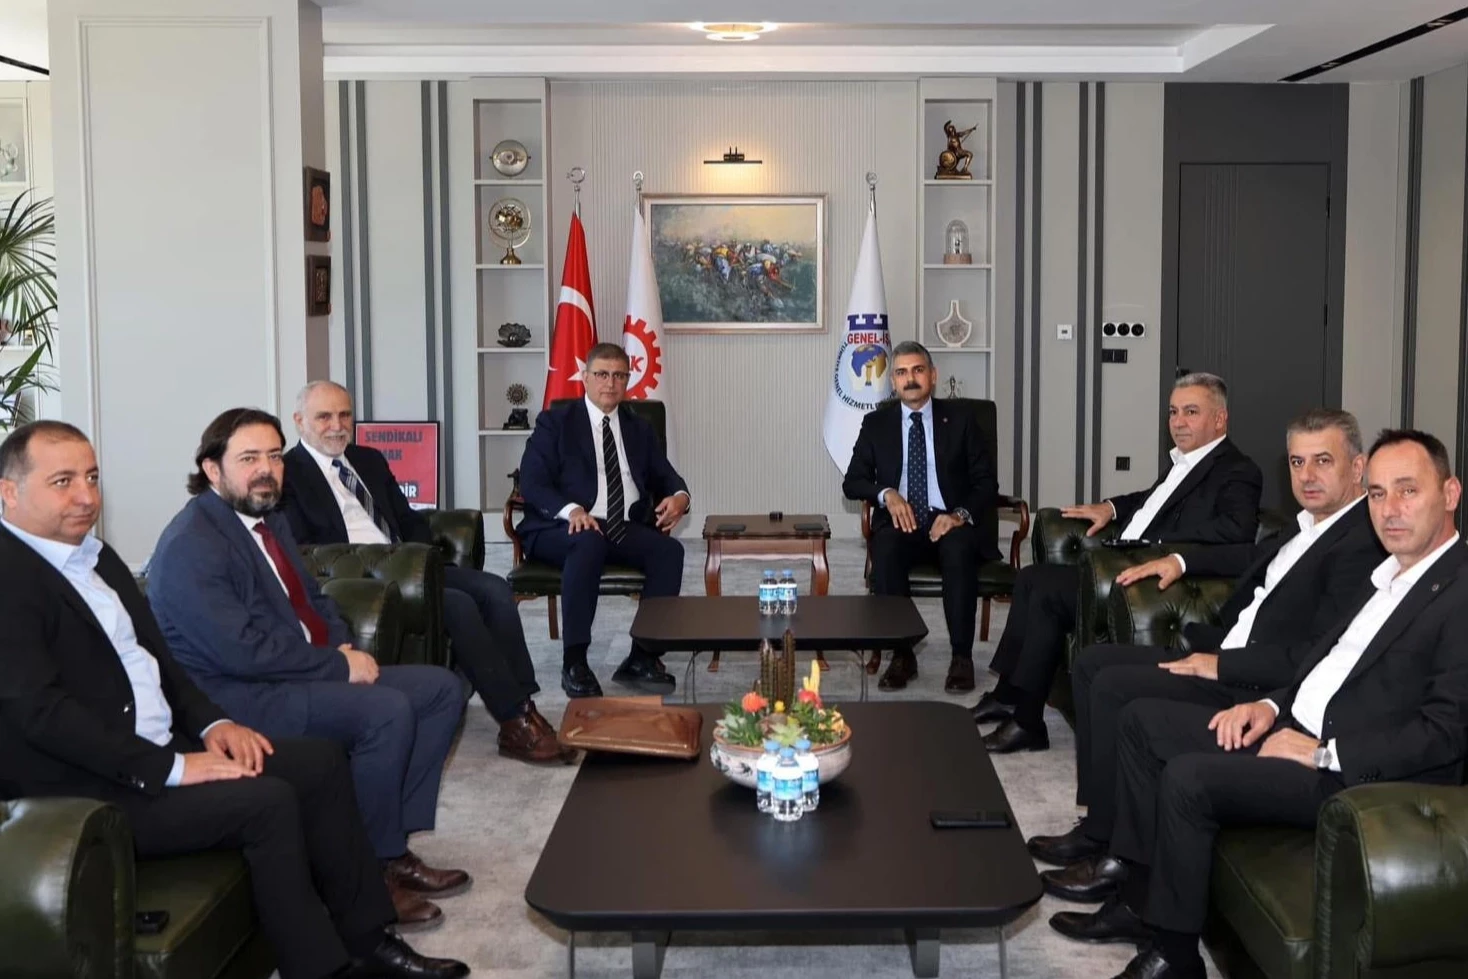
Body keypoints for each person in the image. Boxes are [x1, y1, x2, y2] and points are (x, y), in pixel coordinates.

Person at [0, 421, 468, 979]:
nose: (86, 496)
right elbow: (43, 716)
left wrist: (212, 725)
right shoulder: (11, 578)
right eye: (63, 481)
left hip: (162, 742)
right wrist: (172, 766)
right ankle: (321, 969)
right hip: (91, 788)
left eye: (92, 477)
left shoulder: (94, 558)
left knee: (318, 764)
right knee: (267, 802)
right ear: (9, 492)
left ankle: (367, 942)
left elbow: (161, 663)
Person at [1049, 429, 1468, 979]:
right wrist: (1270, 707)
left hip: (1350, 775)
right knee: (1143, 723)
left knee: (1189, 780)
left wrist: (1324, 752)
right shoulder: (1388, 575)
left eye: (1408, 490)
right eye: (1378, 493)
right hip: (1292, 724)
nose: (1389, 509)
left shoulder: (1458, 591)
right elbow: (1325, 665)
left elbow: (1445, 731)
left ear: (1450, 493)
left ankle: (1175, 957)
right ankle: (1136, 900)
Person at [147, 408, 471, 931]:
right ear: (211, 469)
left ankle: (389, 845)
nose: (266, 469)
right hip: (239, 695)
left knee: (441, 689)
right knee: (385, 710)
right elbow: (242, 652)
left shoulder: (268, 518)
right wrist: (336, 666)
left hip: (296, 671)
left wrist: (341, 645)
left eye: (274, 456)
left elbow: (315, 600)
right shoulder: (193, 544)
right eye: (249, 458)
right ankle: (369, 871)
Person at [1028, 409, 1386, 882]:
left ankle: (1114, 849)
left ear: (1357, 468)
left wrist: (1222, 666)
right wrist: (1179, 561)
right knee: (1094, 664)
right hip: (1223, 652)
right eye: (1297, 463)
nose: (1307, 476)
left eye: (1323, 461)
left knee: (1114, 687)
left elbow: (1315, 655)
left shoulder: (1360, 544)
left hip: (1250, 680)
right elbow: (1248, 555)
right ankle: (1099, 824)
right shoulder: (1308, 525)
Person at [280, 380, 567, 765]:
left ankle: (524, 700)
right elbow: (308, 551)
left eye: (344, 415)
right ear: (300, 421)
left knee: (495, 588)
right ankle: (514, 719)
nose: (337, 425)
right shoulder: (288, 474)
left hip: (409, 565)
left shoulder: (368, 459)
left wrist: (421, 557)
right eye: (324, 417)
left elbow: (407, 518)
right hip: (364, 581)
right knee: (458, 606)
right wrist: (394, 566)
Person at [974, 372, 1263, 753]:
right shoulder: (1185, 462)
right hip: (1118, 561)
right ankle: (1009, 693)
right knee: (1030, 577)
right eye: (1173, 412)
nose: (1178, 422)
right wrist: (1110, 507)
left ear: (1220, 419)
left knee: (1046, 591)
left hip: (1147, 578)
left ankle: (1028, 721)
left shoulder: (1237, 470)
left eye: (1191, 412)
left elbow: (1236, 531)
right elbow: (1153, 500)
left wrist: (1163, 547)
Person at [516, 342, 690, 698]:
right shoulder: (555, 422)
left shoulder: (638, 428)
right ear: (585, 377)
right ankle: (575, 661)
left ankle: (643, 656)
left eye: (619, 376)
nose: (610, 383)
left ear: (627, 380)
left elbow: (667, 476)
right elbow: (532, 483)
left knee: (669, 552)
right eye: (602, 374)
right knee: (588, 542)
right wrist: (572, 510)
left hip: (619, 526)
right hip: (560, 527)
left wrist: (680, 498)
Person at [842, 340, 1001, 693]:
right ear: (893, 382)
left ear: (933, 375)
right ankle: (902, 654)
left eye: (917, 370)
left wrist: (959, 515)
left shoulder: (961, 420)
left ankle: (961, 657)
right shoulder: (876, 424)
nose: (910, 379)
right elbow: (852, 482)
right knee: (885, 547)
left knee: (958, 549)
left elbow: (986, 483)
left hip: (950, 521)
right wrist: (887, 494)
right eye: (901, 373)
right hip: (903, 521)